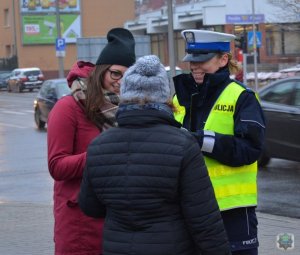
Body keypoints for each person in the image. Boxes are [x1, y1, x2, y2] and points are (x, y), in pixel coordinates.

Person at [78, 55, 231, 255]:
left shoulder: (99, 146)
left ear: (124, 95)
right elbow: (203, 219)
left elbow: (90, 207)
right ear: (164, 97)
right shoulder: (183, 145)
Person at [173, 29, 266, 255]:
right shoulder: (178, 98)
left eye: (202, 60)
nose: (194, 66)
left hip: (232, 210)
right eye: (191, 60)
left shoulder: (242, 97)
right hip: (187, 207)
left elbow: (250, 150)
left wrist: (202, 141)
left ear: (224, 59)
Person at [47, 27, 136, 255]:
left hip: (118, 220)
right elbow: (57, 166)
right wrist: (101, 155)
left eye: (128, 75)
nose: (120, 81)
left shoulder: (131, 109)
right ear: (101, 71)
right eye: (115, 73)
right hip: (80, 223)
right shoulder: (68, 107)